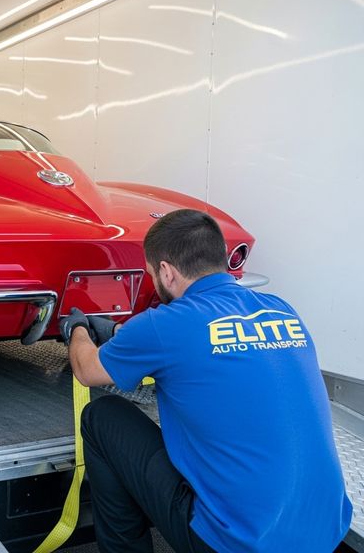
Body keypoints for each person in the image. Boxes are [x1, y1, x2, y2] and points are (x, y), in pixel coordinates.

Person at [59, 209, 351, 553]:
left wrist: (76, 328)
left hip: (236, 543)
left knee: (101, 416)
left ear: (166, 272)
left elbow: (87, 369)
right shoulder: (281, 310)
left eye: (153, 274)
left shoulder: (166, 324)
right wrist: (120, 334)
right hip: (323, 532)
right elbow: (197, 346)